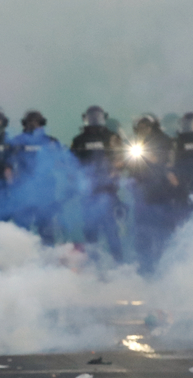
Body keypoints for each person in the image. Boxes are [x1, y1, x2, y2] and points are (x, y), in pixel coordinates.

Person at [70, 105, 124, 262]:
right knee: (90, 232)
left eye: (97, 116)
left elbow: (122, 159)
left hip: (108, 191)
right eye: (91, 116)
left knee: (111, 230)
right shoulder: (79, 140)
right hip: (89, 192)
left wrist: (115, 169)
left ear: (104, 117)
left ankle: (119, 264)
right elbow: (72, 163)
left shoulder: (112, 137)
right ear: (85, 118)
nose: (94, 119)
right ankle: (93, 266)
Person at [127, 114, 175, 274]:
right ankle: (145, 266)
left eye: (146, 126)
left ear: (153, 127)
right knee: (142, 231)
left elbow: (161, 160)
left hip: (161, 193)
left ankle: (165, 267)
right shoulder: (137, 141)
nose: (143, 129)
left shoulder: (164, 140)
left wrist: (145, 153)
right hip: (142, 193)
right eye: (140, 126)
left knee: (162, 231)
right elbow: (131, 165)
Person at [8, 110, 62, 245]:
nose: (33, 125)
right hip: (23, 189)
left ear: (42, 124)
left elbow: (62, 163)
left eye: (36, 122)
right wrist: (12, 183)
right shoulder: (17, 142)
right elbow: (7, 165)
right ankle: (22, 257)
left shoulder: (51, 142)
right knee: (22, 228)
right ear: (24, 124)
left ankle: (49, 257)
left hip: (45, 191)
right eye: (30, 122)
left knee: (46, 228)